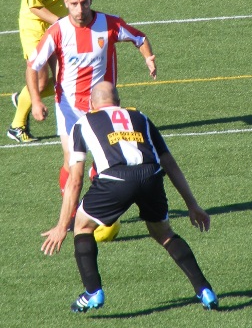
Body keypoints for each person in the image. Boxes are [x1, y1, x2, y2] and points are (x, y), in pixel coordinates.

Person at [40, 82, 218, 312]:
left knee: (82, 227)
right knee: (163, 233)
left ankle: (92, 292)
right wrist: (192, 204)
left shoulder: (83, 123)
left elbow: (75, 179)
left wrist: (62, 226)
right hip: (151, 176)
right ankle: (205, 290)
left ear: (91, 104)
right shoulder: (140, 117)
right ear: (119, 103)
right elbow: (169, 163)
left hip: (115, 180)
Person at [27, 0, 157, 205]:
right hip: (69, 106)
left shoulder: (109, 24)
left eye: (84, 3)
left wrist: (148, 57)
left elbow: (139, 37)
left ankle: (99, 198)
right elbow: (32, 66)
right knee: (71, 164)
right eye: (74, 4)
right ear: (66, 3)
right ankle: (72, 213)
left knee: (108, 162)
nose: (80, 9)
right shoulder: (58, 31)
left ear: (91, 0)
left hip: (102, 107)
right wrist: (36, 101)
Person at [8, 0, 81, 143]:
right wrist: (62, 22)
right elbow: (35, 5)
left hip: (57, 23)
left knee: (65, 78)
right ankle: (17, 126)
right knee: (40, 81)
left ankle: (25, 96)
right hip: (34, 23)